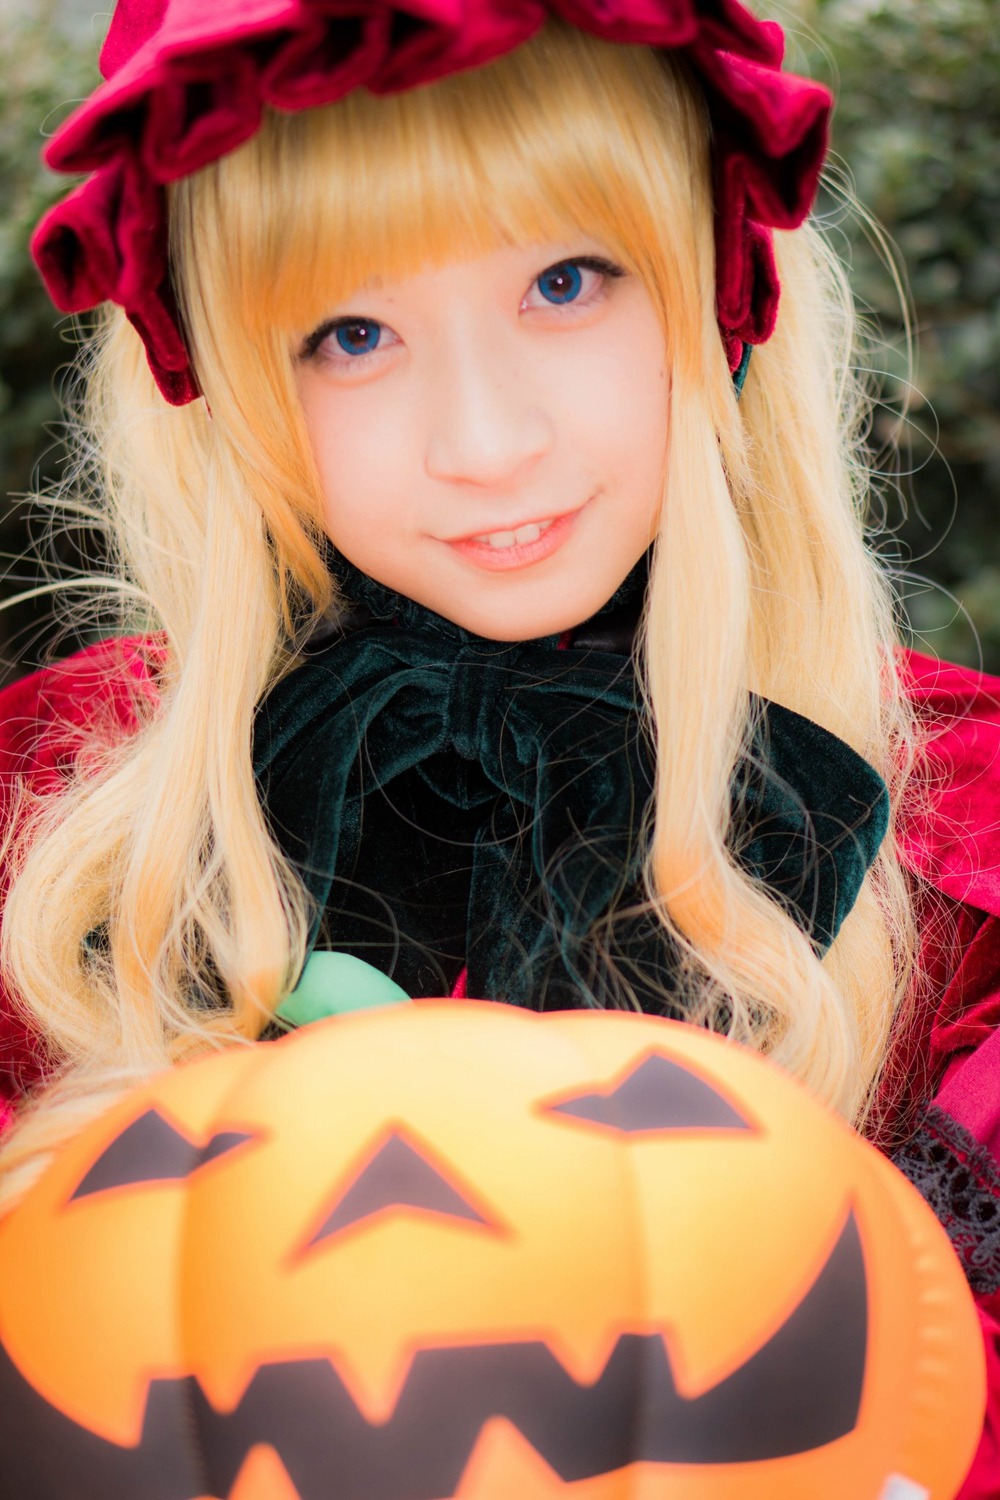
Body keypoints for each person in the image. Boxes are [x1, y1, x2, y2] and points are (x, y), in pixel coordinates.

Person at [0, 0, 997, 1488]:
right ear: (217, 377)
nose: (482, 440)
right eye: (351, 333)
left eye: (565, 280)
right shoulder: (53, 819)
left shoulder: (969, 844)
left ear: (723, 293)